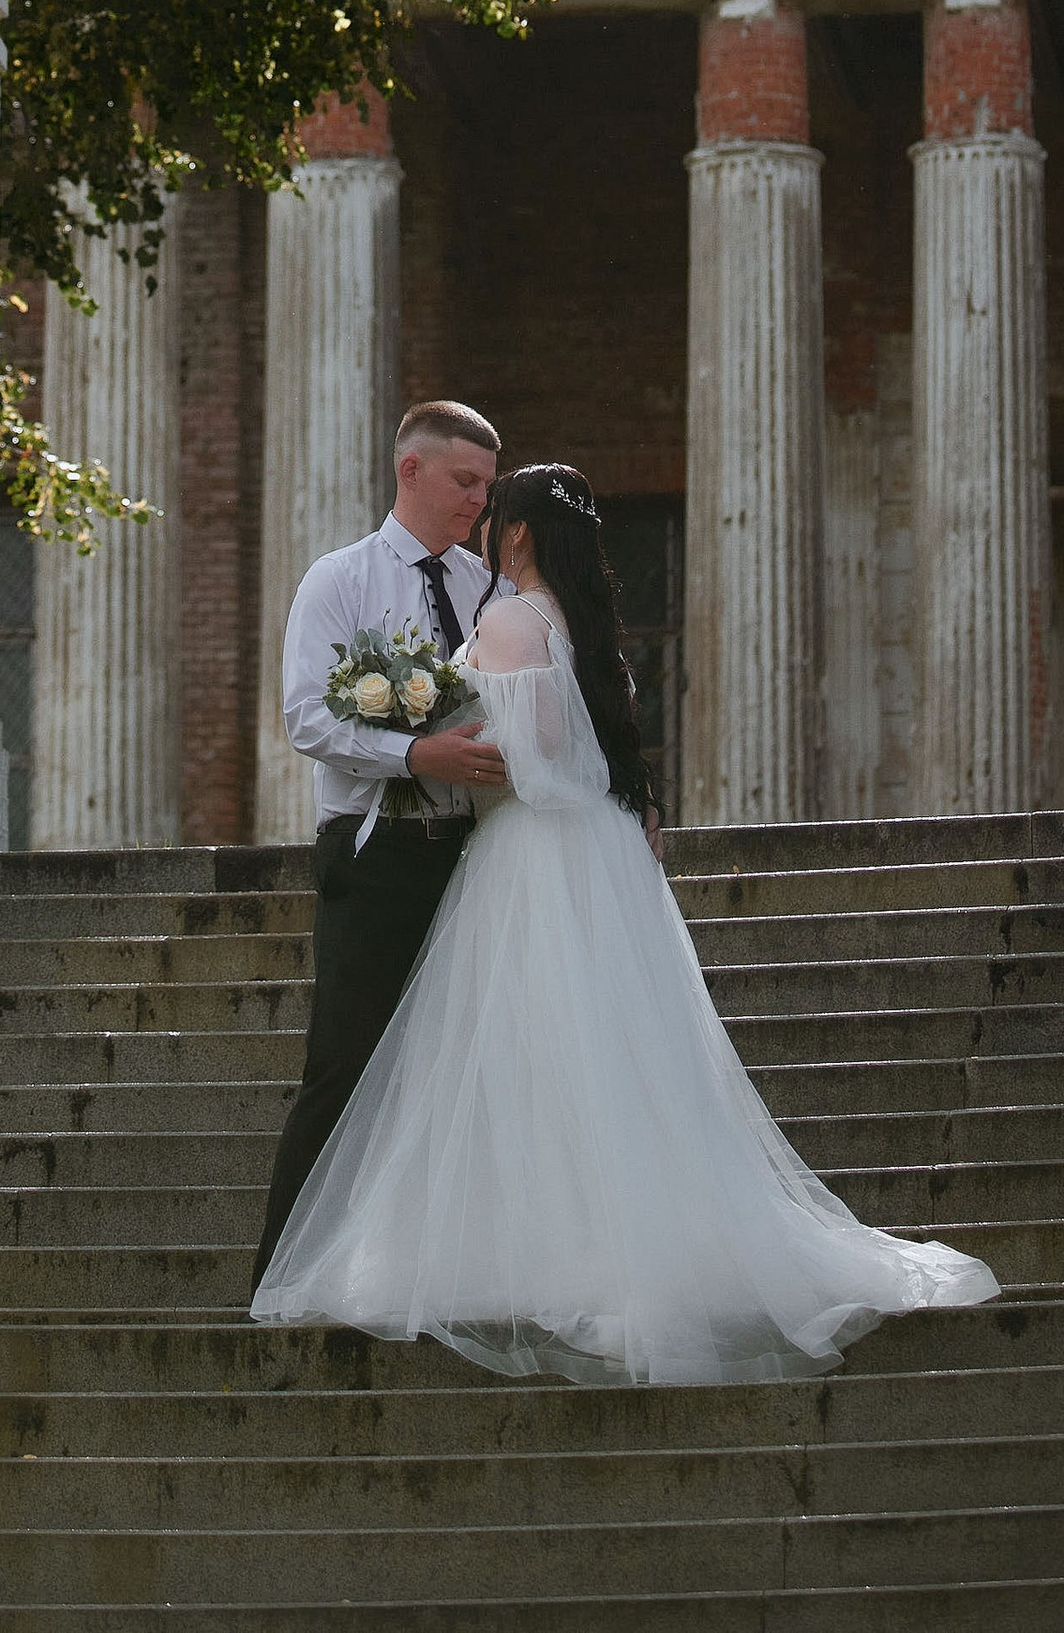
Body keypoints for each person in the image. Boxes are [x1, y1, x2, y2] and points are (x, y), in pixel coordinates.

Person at [251, 460, 1000, 1385]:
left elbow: (529, 751)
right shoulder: (590, 630)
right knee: (614, 1056)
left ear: (516, 535)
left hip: (530, 854)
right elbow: (595, 747)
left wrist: (435, 721)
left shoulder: (511, 619)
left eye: (495, 511)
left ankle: (547, 1251)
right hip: (599, 855)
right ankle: (632, 1242)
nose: (483, 520)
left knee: (529, 1059)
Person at [250, 400, 509, 1284]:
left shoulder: (495, 592)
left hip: (479, 859)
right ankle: (282, 1279)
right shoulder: (342, 579)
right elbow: (306, 717)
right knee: (345, 1062)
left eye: (487, 483)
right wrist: (411, 751)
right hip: (376, 851)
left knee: (466, 1070)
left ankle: (441, 1274)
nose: (481, 501)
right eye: (464, 481)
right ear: (412, 471)